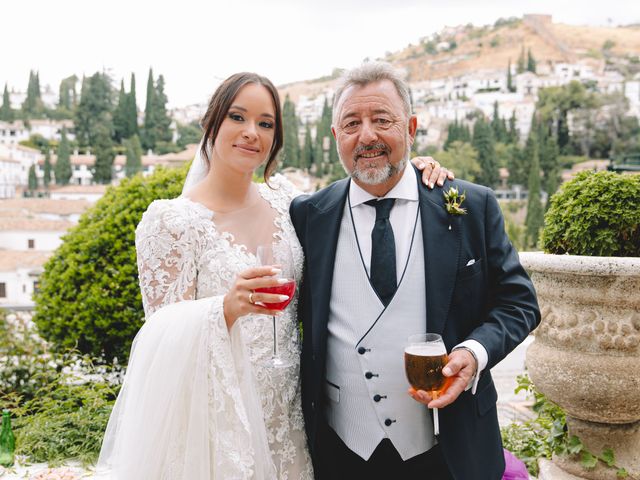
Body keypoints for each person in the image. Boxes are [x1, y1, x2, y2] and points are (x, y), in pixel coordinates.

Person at [97, 71, 452, 479]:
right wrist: (223, 309)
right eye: (237, 117)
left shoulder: (289, 203)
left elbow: (367, 184)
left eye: (265, 123)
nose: (252, 133)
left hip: (290, 417)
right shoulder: (170, 221)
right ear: (210, 123)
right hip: (221, 418)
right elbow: (159, 339)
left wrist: (415, 168)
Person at [289, 62, 541, 480]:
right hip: (340, 449)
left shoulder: (469, 206)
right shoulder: (307, 215)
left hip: (448, 447)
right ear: (336, 138)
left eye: (382, 120)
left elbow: (519, 303)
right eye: (352, 123)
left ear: (411, 128)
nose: (366, 135)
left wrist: (473, 354)